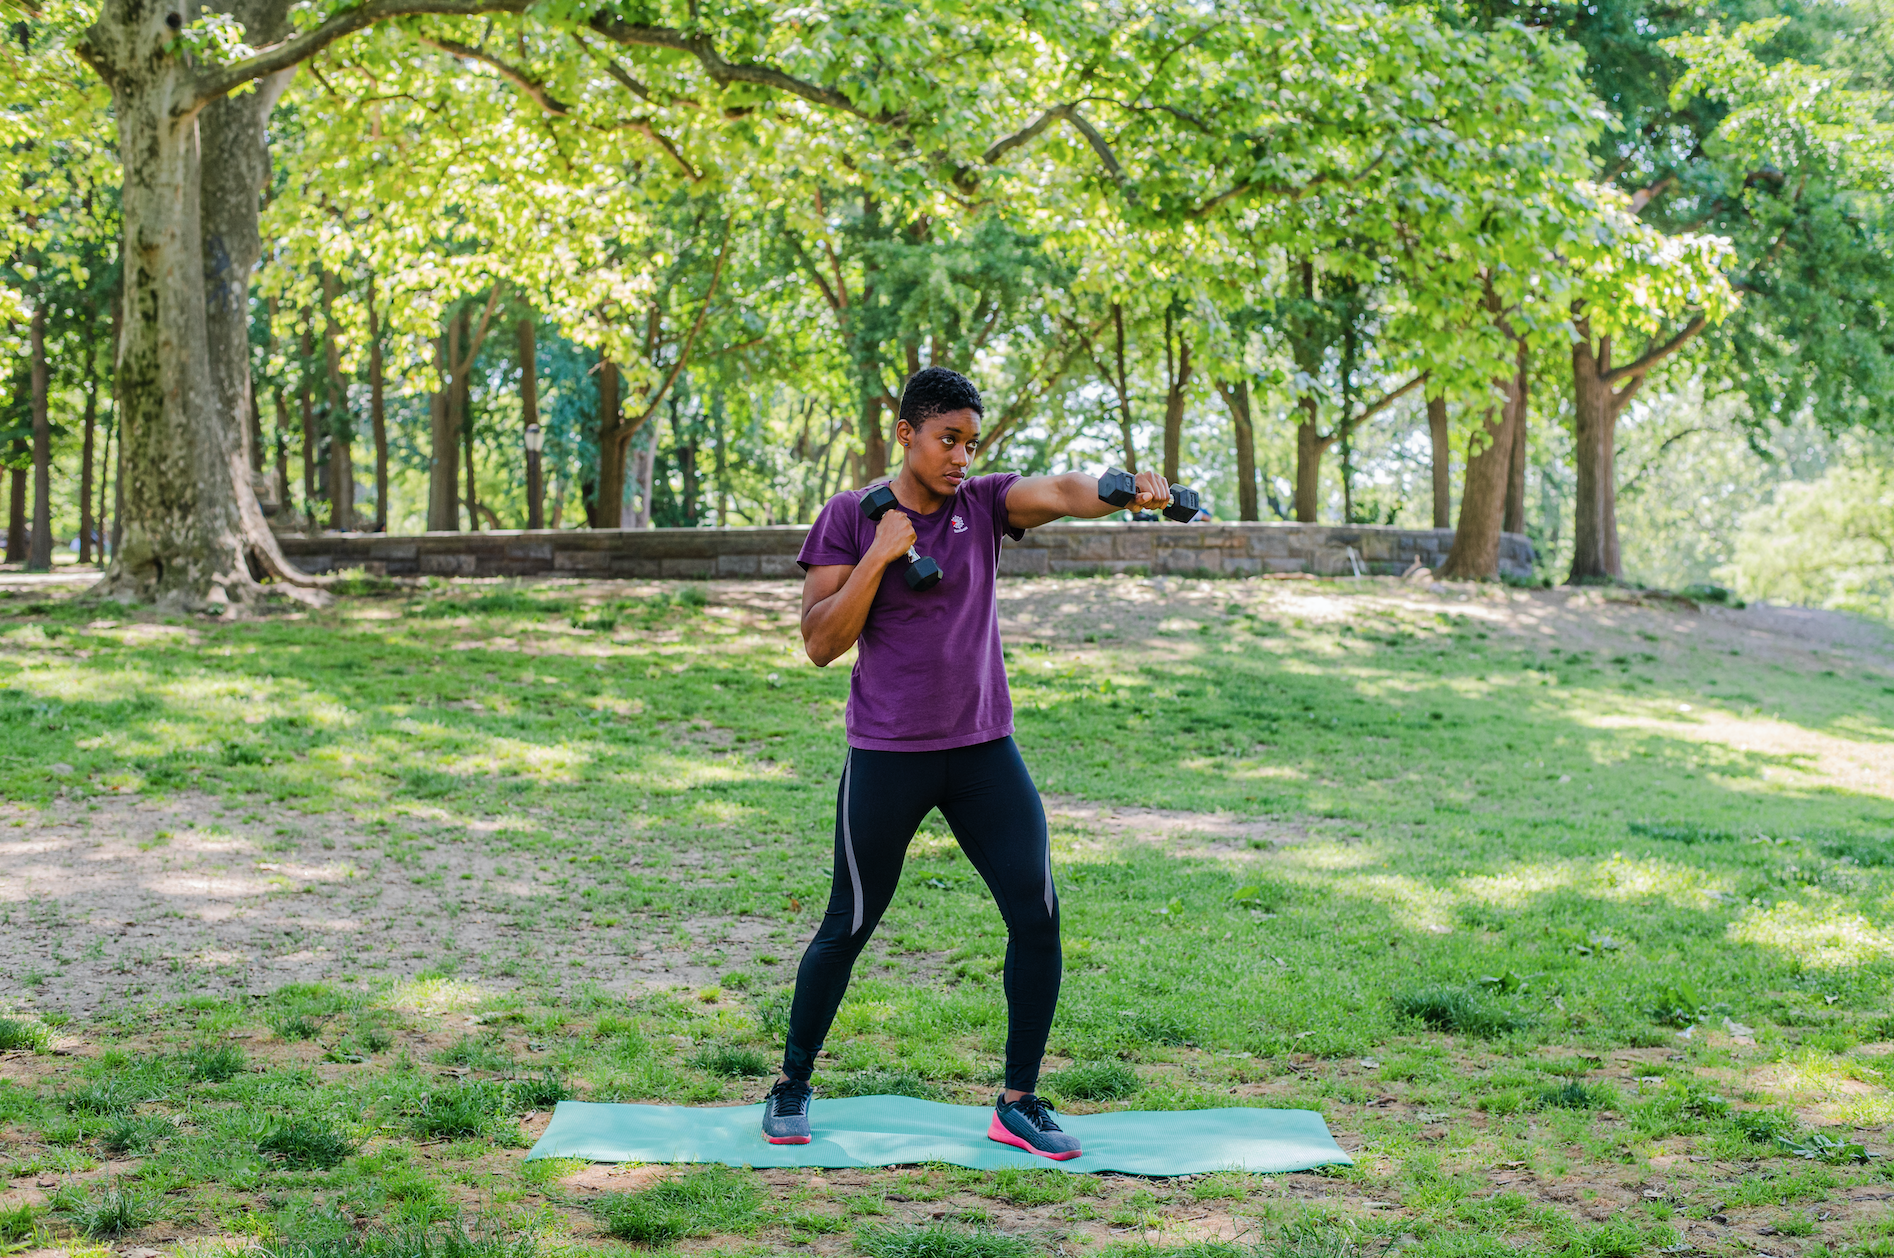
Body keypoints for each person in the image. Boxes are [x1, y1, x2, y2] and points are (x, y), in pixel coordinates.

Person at [761, 366, 1174, 1160]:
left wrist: (1125, 490)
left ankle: (1017, 1101)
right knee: (849, 921)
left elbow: (1057, 491)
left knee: (1038, 913)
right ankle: (791, 1084)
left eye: (970, 443)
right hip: (888, 754)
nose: (960, 456)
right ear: (907, 434)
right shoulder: (851, 516)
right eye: (947, 440)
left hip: (984, 752)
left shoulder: (981, 503)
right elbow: (819, 642)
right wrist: (881, 556)